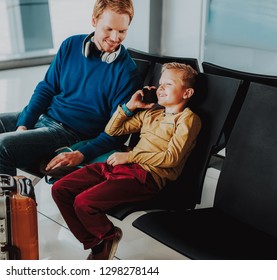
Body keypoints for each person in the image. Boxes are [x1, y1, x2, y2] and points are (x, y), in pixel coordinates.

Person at [0, 0, 140, 260]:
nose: (114, 38)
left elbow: (117, 132)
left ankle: (1, 236)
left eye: (122, 32)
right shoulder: (71, 45)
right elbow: (46, 89)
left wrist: (81, 154)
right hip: (45, 117)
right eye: (109, 29)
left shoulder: (126, 71)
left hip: (70, 133)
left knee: (0, 146)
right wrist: (24, 124)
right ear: (94, 21)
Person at [51, 62, 201, 260]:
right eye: (160, 83)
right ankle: (97, 243)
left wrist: (130, 156)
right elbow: (112, 130)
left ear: (187, 93)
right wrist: (130, 106)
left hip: (146, 176)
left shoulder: (187, 119)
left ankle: (107, 236)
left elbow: (172, 158)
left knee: (84, 202)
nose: (161, 88)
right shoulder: (151, 113)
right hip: (121, 166)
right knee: (60, 189)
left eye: (169, 84)